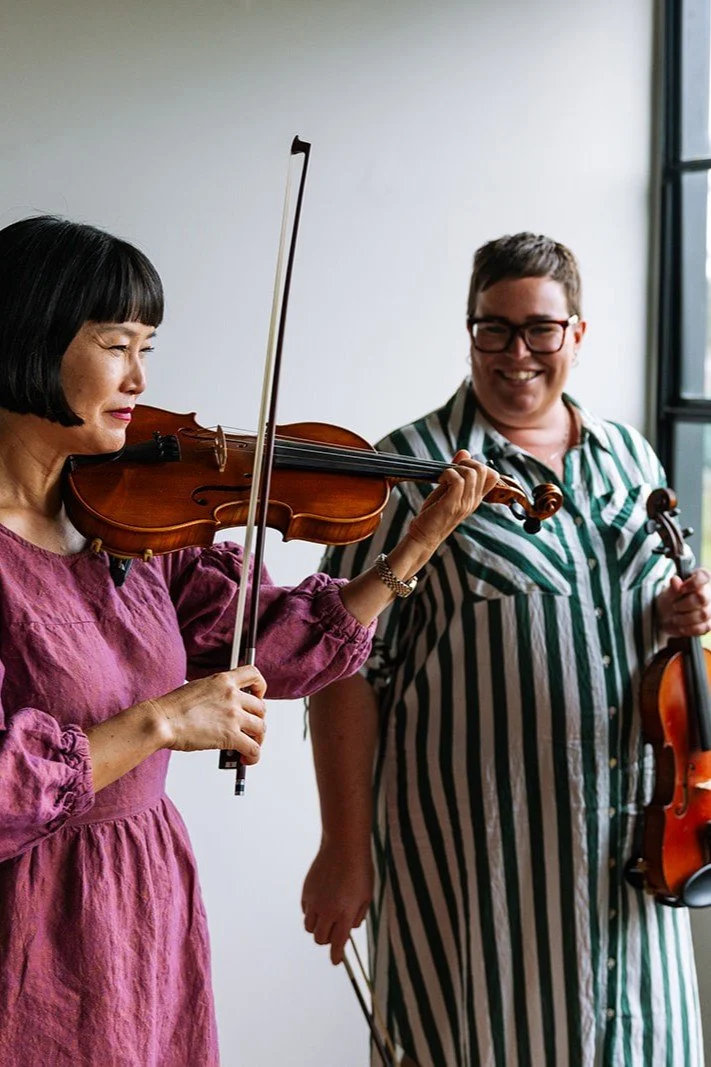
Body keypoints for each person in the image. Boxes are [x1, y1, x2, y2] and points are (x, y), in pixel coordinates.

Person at [0, 215, 500, 1067]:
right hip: (30, 924)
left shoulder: (133, 523)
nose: (138, 377)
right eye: (117, 344)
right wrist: (159, 722)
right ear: (29, 343)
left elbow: (271, 644)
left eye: (147, 348)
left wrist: (411, 550)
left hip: (143, 902)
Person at [302, 232, 711, 1067]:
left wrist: (677, 615)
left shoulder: (628, 457)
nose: (515, 353)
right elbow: (338, 662)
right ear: (469, 330)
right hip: (483, 866)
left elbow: (629, 624)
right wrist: (342, 847)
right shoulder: (406, 468)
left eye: (539, 330)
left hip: (634, 854)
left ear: (577, 334)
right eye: (494, 329)